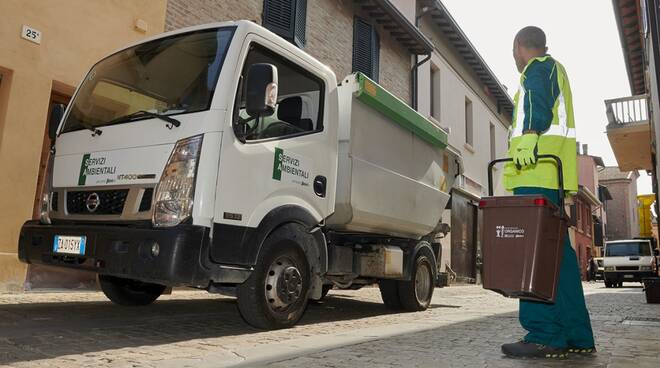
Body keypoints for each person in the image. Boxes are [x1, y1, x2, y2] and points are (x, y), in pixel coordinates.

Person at [500, 26, 595, 359]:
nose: (514, 58)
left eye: (514, 52)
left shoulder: (537, 69)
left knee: (534, 253)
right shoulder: (556, 70)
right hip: (551, 174)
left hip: (536, 169)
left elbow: (538, 106)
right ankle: (576, 334)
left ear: (518, 47)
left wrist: (527, 137)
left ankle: (543, 333)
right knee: (561, 259)